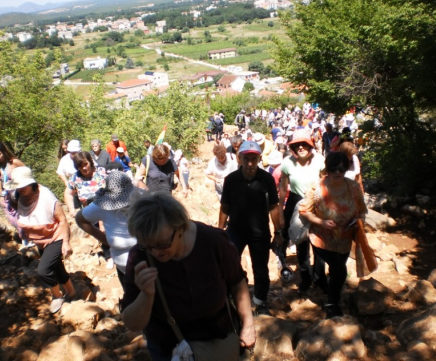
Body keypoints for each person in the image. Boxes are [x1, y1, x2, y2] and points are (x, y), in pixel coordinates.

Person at [121, 192, 255, 360]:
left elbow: (236, 281)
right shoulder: (140, 256)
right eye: (148, 246)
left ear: (180, 228)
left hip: (217, 340)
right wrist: (146, 295)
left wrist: (248, 324)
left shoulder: (213, 241)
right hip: (169, 348)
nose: (156, 252)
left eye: (163, 244)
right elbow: (132, 323)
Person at [299, 152, 367, 318]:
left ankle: (328, 290)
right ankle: (332, 303)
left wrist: (359, 222)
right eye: (333, 169)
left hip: (344, 238)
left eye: (341, 169)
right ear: (327, 169)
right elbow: (304, 210)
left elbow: (362, 210)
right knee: (339, 270)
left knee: (338, 269)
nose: (337, 172)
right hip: (321, 238)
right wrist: (321, 222)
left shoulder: (353, 187)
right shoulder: (317, 188)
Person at [219, 141, 283, 316]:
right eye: (246, 158)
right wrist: (220, 230)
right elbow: (224, 206)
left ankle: (260, 302)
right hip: (235, 230)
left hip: (259, 231)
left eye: (253, 159)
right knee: (230, 264)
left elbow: (273, 206)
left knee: (261, 268)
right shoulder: (230, 180)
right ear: (239, 158)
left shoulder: (266, 179)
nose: (249, 163)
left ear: (259, 159)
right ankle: (232, 299)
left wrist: (277, 232)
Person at [4, 166, 75, 314]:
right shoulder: (17, 196)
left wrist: (66, 242)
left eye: (22, 186)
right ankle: (71, 291)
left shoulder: (47, 197)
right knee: (56, 266)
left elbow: (62, 220)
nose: (20, 189)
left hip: (56, 237)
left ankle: (57, 296)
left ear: (31, 184)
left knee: (43, 270)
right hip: (40, 239)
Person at [279, 129, 325, 293]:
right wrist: (280, 212)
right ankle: (305, 277)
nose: (300, 147)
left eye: (304, 144)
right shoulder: (287, 162)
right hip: (295, 200)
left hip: (317, 201)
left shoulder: (320, 160)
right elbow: (283, 188)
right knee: (300, 240)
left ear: (310, 145)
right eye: (297, 145)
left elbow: (325, 182)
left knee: (319, 241)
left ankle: (320, 278)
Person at [75, 171, 140, 288]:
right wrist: (104, 239)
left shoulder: (142, 197)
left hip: (152, 266)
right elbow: (80, 219)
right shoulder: (103, 205)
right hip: (125, 269)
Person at [0, 142, 33, 248]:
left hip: (19, 192)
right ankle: (24, 238)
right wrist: (0, 193)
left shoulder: (14, 162)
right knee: (12, 217)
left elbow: (26, 173)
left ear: (4, 152)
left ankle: (30, 239)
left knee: (25, 215)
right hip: (7, 195)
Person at [64, 151, 107, 218]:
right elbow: (68, 194)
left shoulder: (103, 172)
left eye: (85, 164)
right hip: (89, 215)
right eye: (80, 166)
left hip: (107, 211)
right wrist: (71, 209)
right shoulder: (75, 177)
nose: (84, 168)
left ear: (90, 162)